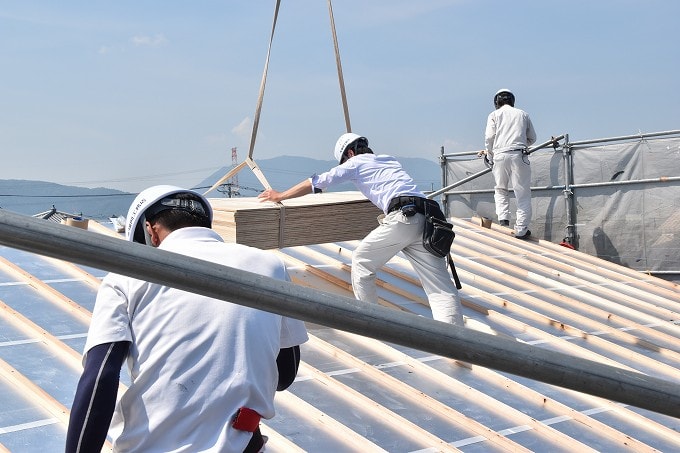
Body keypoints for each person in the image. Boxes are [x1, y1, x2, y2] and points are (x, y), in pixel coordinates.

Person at [66, 185, 308, 453]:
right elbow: (285, 373)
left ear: (151, 231)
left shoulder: (126, 276)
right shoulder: (270, 266)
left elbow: (101, 376)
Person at [258, 133, 464, 326]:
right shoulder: (389, 160)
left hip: (403, 218)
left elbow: (318, 182)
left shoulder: (355, 162)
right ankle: (455, 342)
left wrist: (280, 196)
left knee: (361, 262)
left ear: (349, 153)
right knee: (441, 288)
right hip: (428, 220)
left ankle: (372, 324)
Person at [479, 88, 536, 239]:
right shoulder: (523, 114)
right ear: (512, 100)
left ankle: (503, 219)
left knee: (501, 188)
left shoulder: (494, 115)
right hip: (519, 153)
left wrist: (489, 154)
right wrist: (521, 143)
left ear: (496, 102)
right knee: (522, 192)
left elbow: (489, 137)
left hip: (499, 155)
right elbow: (533, 138)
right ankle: (521, 229)